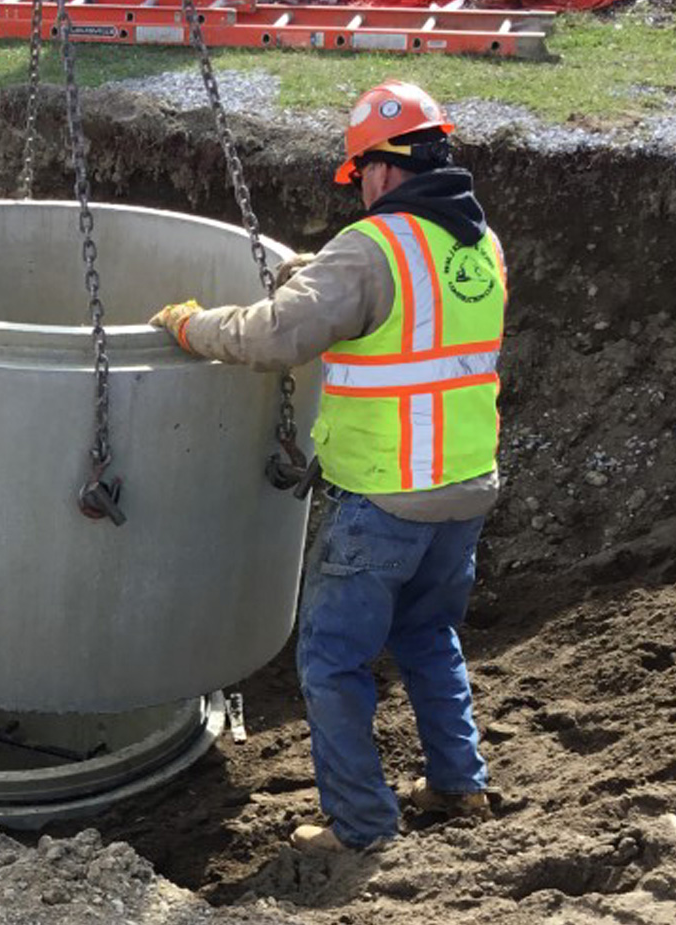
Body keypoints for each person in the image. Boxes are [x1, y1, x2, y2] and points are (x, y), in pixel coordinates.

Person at [149, 81, 506, 852]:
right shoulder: (477, 245)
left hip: (384, 496)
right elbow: (407, 313)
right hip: (464, 487)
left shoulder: (370, 251)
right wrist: (324, 272)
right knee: (428, 636)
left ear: (378, 169)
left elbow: (275, 335)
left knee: (331, 662)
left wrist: (188, 326)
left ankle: (360, 827)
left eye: (359, 175)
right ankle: (457, 784)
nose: (360, 189)